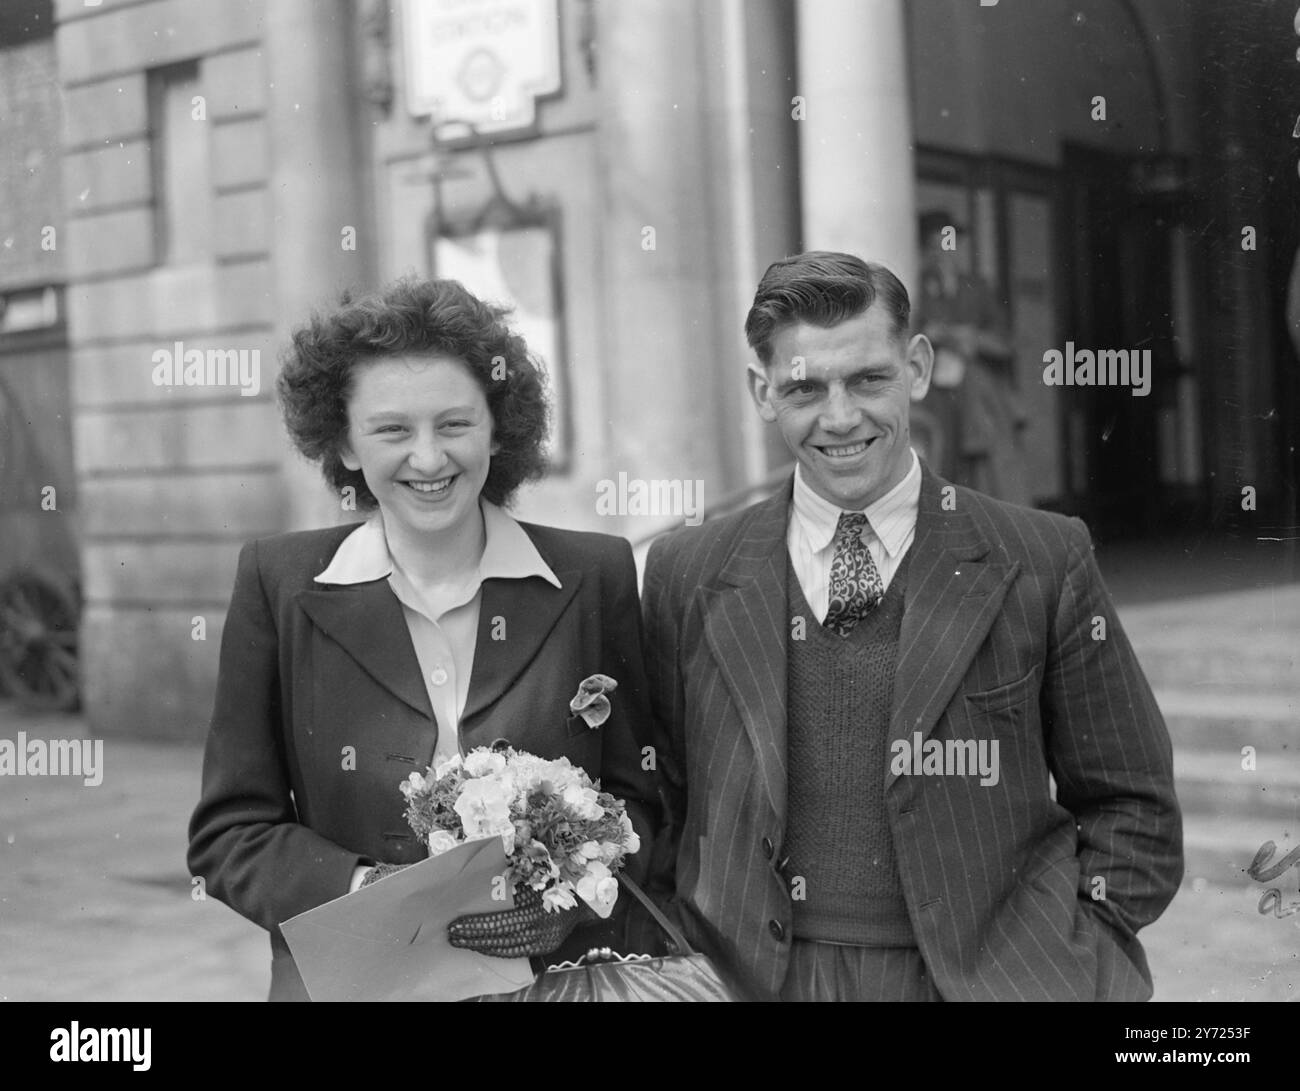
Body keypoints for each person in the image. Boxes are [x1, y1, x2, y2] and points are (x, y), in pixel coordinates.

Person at [642, 251, 1182, 1002]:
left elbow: (1135, 803)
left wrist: (1067, 959)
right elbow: (661, 798)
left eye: (868, 379)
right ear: (762, 392)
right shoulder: (687, 571)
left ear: (918, 367)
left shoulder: (1041, 558)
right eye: (804, 387)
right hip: (752, 983)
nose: (840, 417)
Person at [187, 277, 658, 1001]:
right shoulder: (276, 582)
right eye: (393, 430)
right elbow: (230, 831)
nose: (430, 459)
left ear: (499, 429)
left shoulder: (593, 575)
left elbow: (647, 800)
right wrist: (368, 889)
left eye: (455, 424)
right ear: (343, 442)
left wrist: (574, 894)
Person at [915, 211, 1031, 506]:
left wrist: (970, 338)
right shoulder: (919, 289)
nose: (944, 253)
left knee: (990, 474)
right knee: (939, 466)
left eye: (949, 244)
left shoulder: (976, 287)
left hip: (978, 398)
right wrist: (931, 334)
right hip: (936, 397)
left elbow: (1006, 342)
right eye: (936, 246)